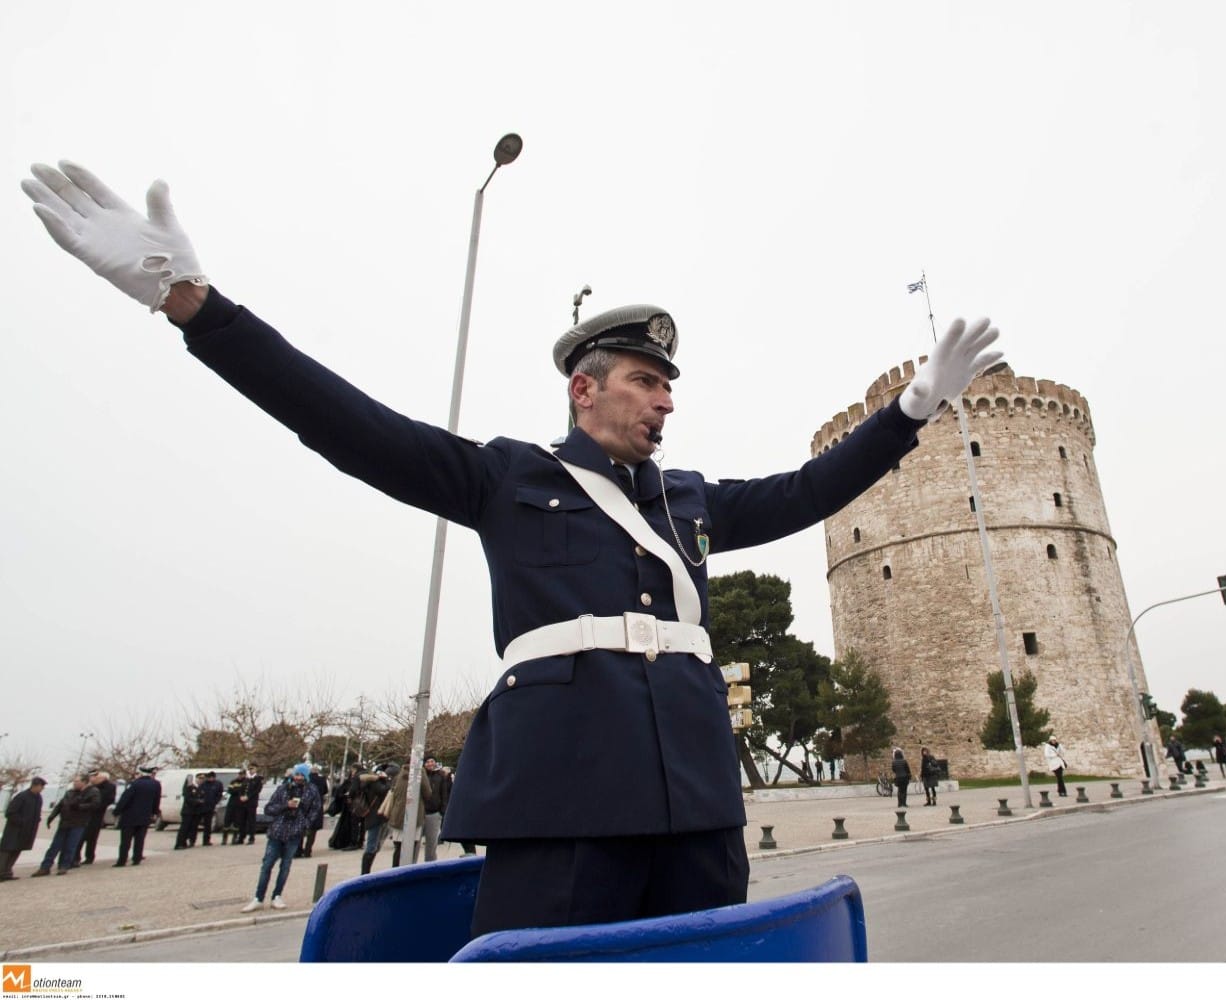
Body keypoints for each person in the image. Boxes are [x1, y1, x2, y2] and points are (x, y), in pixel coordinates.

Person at [20, 160, 1001, 937]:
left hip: (700, 803)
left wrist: (912, 411)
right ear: (585, 388)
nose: (666, 401)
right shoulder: (504, 478)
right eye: (647, 380)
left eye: (670, 385)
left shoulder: (690, 499)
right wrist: (198, 307)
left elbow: (807, 491)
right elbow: (344, 421)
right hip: (560, 799)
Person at [242, 763, 322, 912]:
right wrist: (286, 805)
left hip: (294, 833)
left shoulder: (312, 790)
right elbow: (269, 808)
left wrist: (305, 823)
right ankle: (258, 898)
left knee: (285, 866)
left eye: (302, 775)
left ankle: (277, 896)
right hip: (277, 831)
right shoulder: (283, 788)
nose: (298, 778)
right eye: (297, 774)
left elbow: (316, 809)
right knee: (267, 865)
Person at [33, 775, 100, 876]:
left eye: (77, 781)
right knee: (55, 846)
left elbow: (95, 805)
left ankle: (64, 866)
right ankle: (45, 867)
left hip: (78, 823)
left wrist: (80, 806)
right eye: (74, 781)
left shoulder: (93, 792)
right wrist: (52, 816)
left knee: (70, 846)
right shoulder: (70, 792)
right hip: (65, 822)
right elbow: (61, 804)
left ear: (84, 782)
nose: (74, 783)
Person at [383, 765, 433, 868]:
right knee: (411, 848)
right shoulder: (420, 772)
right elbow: (427, 793)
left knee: (398, 848)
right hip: (414, 816)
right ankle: (407, 871)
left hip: (397, 815)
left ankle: (395, 871)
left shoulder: (399, 774)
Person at [113, 765, 162, 866]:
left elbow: (125, 799)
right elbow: (156, 800)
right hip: (145, 816)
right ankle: (137, 858)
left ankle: (122, 860)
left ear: (140, 774)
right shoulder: (156, 784)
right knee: (140, 839)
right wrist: (154, 812)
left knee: (126, 840)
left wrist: (117, 811)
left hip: (130, 816)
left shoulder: (134, 784)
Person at [1, 778, 48, 881]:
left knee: (17, 850)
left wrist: (37, 820)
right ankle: (1, 872)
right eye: (41, 786)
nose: (42, 789)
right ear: (35, 785)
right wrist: (21, 822)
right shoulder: (22, 796)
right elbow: (10, 812)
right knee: (7, 851)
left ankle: (7, 872)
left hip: (27, 831)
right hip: (14, 830)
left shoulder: (38, 798)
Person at [355, 765, 394, 875]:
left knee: (374, 846)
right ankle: (365, 873)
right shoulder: (375, 783)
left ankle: (366, 871)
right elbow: (383, 791)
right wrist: (386, 780)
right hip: (375, 818)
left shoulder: (371, 783)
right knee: (371, 846)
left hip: (377, 817)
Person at [78, 771, 117, 865]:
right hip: (88, 813)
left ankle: (89, 857)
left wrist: (96, 806)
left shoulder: (109, 787)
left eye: (97, 777)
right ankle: (77, 857)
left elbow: (108, 800)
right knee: (82, 836)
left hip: (97, 814)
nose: (94, 779)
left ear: (103, 778)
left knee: (91, 837)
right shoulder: (92, 786)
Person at [420, 758, 452, 864]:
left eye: (432, 761)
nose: (430, 764)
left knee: (431, 844)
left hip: (434, 812)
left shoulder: (440, 776)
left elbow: (444, 793)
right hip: (420, 813)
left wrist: (443, 810)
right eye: (427, 762)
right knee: (414, 842)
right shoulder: (420, 775)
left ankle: (429, 865)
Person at [298, 764, 329, 858]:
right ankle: (308, 851)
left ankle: (298, 850)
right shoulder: (322, 780)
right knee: (313, 831)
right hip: (317, 806)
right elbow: (325, 791)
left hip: (304, 807)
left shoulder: (306, 780)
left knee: (301, 830)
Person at [174, 773, 204, 849]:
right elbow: (188, 798)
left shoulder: (198, 788)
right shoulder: (188, 787)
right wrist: (197, 801)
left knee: (192, 828)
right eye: (199, 778)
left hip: (195, 812)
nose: (201, 780)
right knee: (184, 828)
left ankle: (187, 842)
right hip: (188, 811)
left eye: (202, 779)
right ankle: (179, 844)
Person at [196, 771, 224, 846]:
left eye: (211, 777)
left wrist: (215, 802)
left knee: (208, 825)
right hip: (201, 807)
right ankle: (192, 840)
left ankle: (206, 841)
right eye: (208, 777)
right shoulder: (203, 784)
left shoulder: (218, 784)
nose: (210, 779)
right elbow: (198, 793)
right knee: (195, 824)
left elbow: (219, 794)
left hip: (210, 807)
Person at [239, 764, 264, 845]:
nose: (251, 770)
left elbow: (257, 790)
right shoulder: (246, 779)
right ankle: (241, 837)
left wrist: (248, 797)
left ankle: (251, 838)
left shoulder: (258, 779)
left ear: (256, 769)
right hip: (243, 803)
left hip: (252, 802)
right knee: (242, 820)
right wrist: (241, 796)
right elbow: (241, 789)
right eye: (250, 769)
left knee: (251, 820)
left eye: (252, 769)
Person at [222, 770, 248, 844]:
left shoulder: (246, 782)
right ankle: (224, 839)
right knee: (227, 821)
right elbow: (230, 790)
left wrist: (237, 790)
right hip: (231, 803)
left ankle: (234, 838)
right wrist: (239, 790)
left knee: (237, 822)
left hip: (240, 804)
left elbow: (245, 791)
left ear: (244, 775)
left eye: (242, 774)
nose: (240, 776)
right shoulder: (233, 781)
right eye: (239, 774)